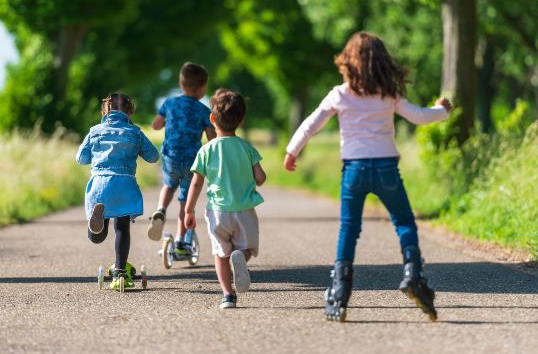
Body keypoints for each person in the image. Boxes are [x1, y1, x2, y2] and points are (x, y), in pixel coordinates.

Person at [284, 31, 453, 322]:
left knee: (349, 228)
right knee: (403, 222)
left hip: (354, 170)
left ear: (348, 62)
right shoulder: (389, 93)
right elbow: (420, 117)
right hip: (386, 168)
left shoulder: (339, 94)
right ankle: (413, 273)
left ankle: (340, 290)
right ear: (382, 62)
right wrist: (443, 110)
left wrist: (292, 151)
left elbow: (312, 123)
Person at [184, 89, 266, 309]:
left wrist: (188, 210)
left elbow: (196, 183)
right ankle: (240, 257)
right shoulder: (247, 148)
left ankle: (227, 295)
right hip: (245, 210)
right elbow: (260, 178)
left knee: (220, 255)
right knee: (245, 248)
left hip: (217, 212)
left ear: (212, 119)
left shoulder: (206, 150)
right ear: (241, 120)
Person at [76, 93, 159, 290]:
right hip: (125, 185)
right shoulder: (134, 132)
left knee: (98, 235)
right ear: (130, 111)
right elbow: (154, 157)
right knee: (122, 228)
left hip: (100, 185)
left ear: (105, 111)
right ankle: (120, 271)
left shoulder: (94, 131)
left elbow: (81, 158)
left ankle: (94, 227)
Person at [147, 62, 216, 255]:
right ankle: (180, 242)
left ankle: (160, 209)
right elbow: (212, 139)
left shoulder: (169, 103)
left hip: (171, 155)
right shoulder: (203, 111)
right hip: (192, 159)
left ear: (181, 83)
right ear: (202, 89)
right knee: (186, 200)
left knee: (169, 184)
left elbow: (155, 125)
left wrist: (169, 121)